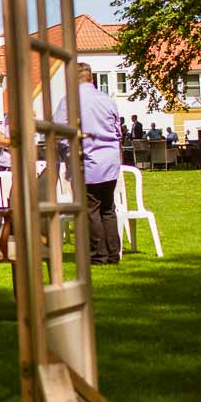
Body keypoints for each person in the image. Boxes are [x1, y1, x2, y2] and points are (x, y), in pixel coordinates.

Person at [56, 63, 122, 266]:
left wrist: (67, 155)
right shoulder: (107, 100)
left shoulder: (70, 101)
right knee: (108, 209)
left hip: (87, 161)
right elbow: (118, 131)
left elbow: (59, 131)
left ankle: (98, 255)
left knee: (91, 209)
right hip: (110, 162)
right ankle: (113, 254)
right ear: (91, 78)